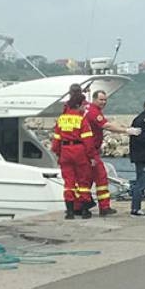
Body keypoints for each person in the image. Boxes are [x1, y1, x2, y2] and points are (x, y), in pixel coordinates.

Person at [85, 89, 141, 216]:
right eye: (101, 100)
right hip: (90, 151)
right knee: (101, 177)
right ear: (94, 99)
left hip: (88, 149)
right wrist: (127, 131)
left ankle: (82, 204)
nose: (104, 102)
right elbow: (107, 126)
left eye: (105, 100)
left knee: (87, 179)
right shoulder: (94, 112)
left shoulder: (88, 109)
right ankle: (103, 207)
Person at [51, 87, 96, 219]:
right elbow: (88, 141)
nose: (84, 107)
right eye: (83, 105)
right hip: (79, 152)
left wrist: (58, 153)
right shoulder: (81, 120)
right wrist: (92, 156)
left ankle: (70, 212)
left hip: (65, 151)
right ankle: (85, 211)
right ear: (78, 105)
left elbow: (56, 140)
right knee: (83, 182)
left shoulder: (61, 119)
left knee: (68, 183)